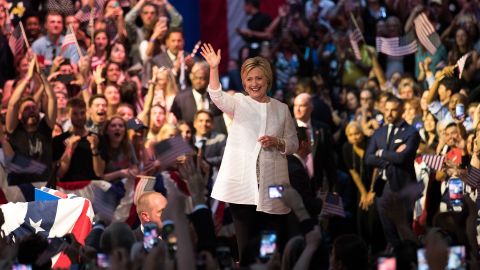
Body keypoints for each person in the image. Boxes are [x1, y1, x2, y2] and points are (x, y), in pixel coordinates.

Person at [201, 43, 298, 264]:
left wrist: (277, 141)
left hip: (273, 185)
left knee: (269, 243)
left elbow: (292, 144)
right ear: (244, 82)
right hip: (242, 186)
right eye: (249, 79)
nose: (254, 83)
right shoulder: (239, 102)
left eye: (258, 78)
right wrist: (214, 68)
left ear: (268, 80)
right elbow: (216, 96)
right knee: (245, 247)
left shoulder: (281, 108)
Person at [365, 95, 420, 246]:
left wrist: (381, 153)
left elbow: (403, 158)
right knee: (388, 234)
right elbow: (368, 158)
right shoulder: (379, 132)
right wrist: (389, 162)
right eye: (386, 110)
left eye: (393, 110)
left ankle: (409, 263)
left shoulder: (411, 133)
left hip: (403, 187)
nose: (388, 114)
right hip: (382, 188)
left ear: (402, 110)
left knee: (404, 231)